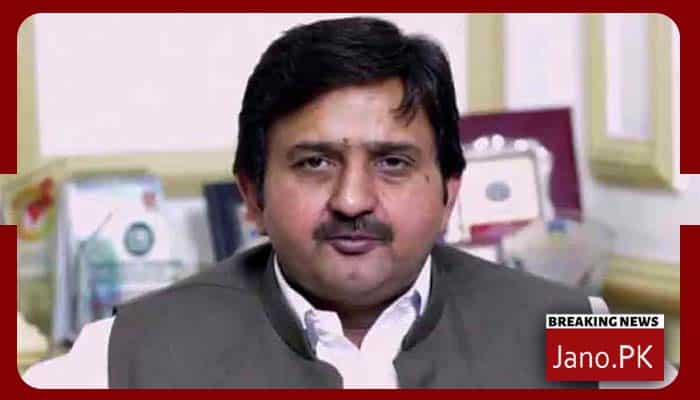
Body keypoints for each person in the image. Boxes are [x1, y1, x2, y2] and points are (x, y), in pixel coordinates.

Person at [22, 16, 664, 389]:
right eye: (314, 163)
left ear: (450, 193)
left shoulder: (584, 324)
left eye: (393, 163)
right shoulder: (123, 352)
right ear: (251, 194)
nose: (353, 200)